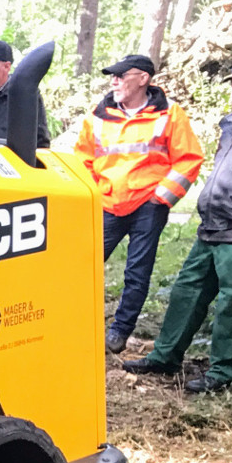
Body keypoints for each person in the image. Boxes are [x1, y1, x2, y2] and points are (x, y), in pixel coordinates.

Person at [123, 57, 232, 392]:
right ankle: (165, 357)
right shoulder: (231, 123)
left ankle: (221, 374)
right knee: (186, 292)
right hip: (211, 226)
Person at [74, 54, 205, 354]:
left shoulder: (170, 114)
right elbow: (83, 159)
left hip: (148, 206)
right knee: (82, 263)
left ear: (143, 79)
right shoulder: (99, 114)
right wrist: (95, 193)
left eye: (121, 76)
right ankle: (75, 318)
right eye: (113, 76)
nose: (114, 81)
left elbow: (189, 159)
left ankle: (119, 331)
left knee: (137, 272)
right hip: (106, 203)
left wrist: (161, 198)